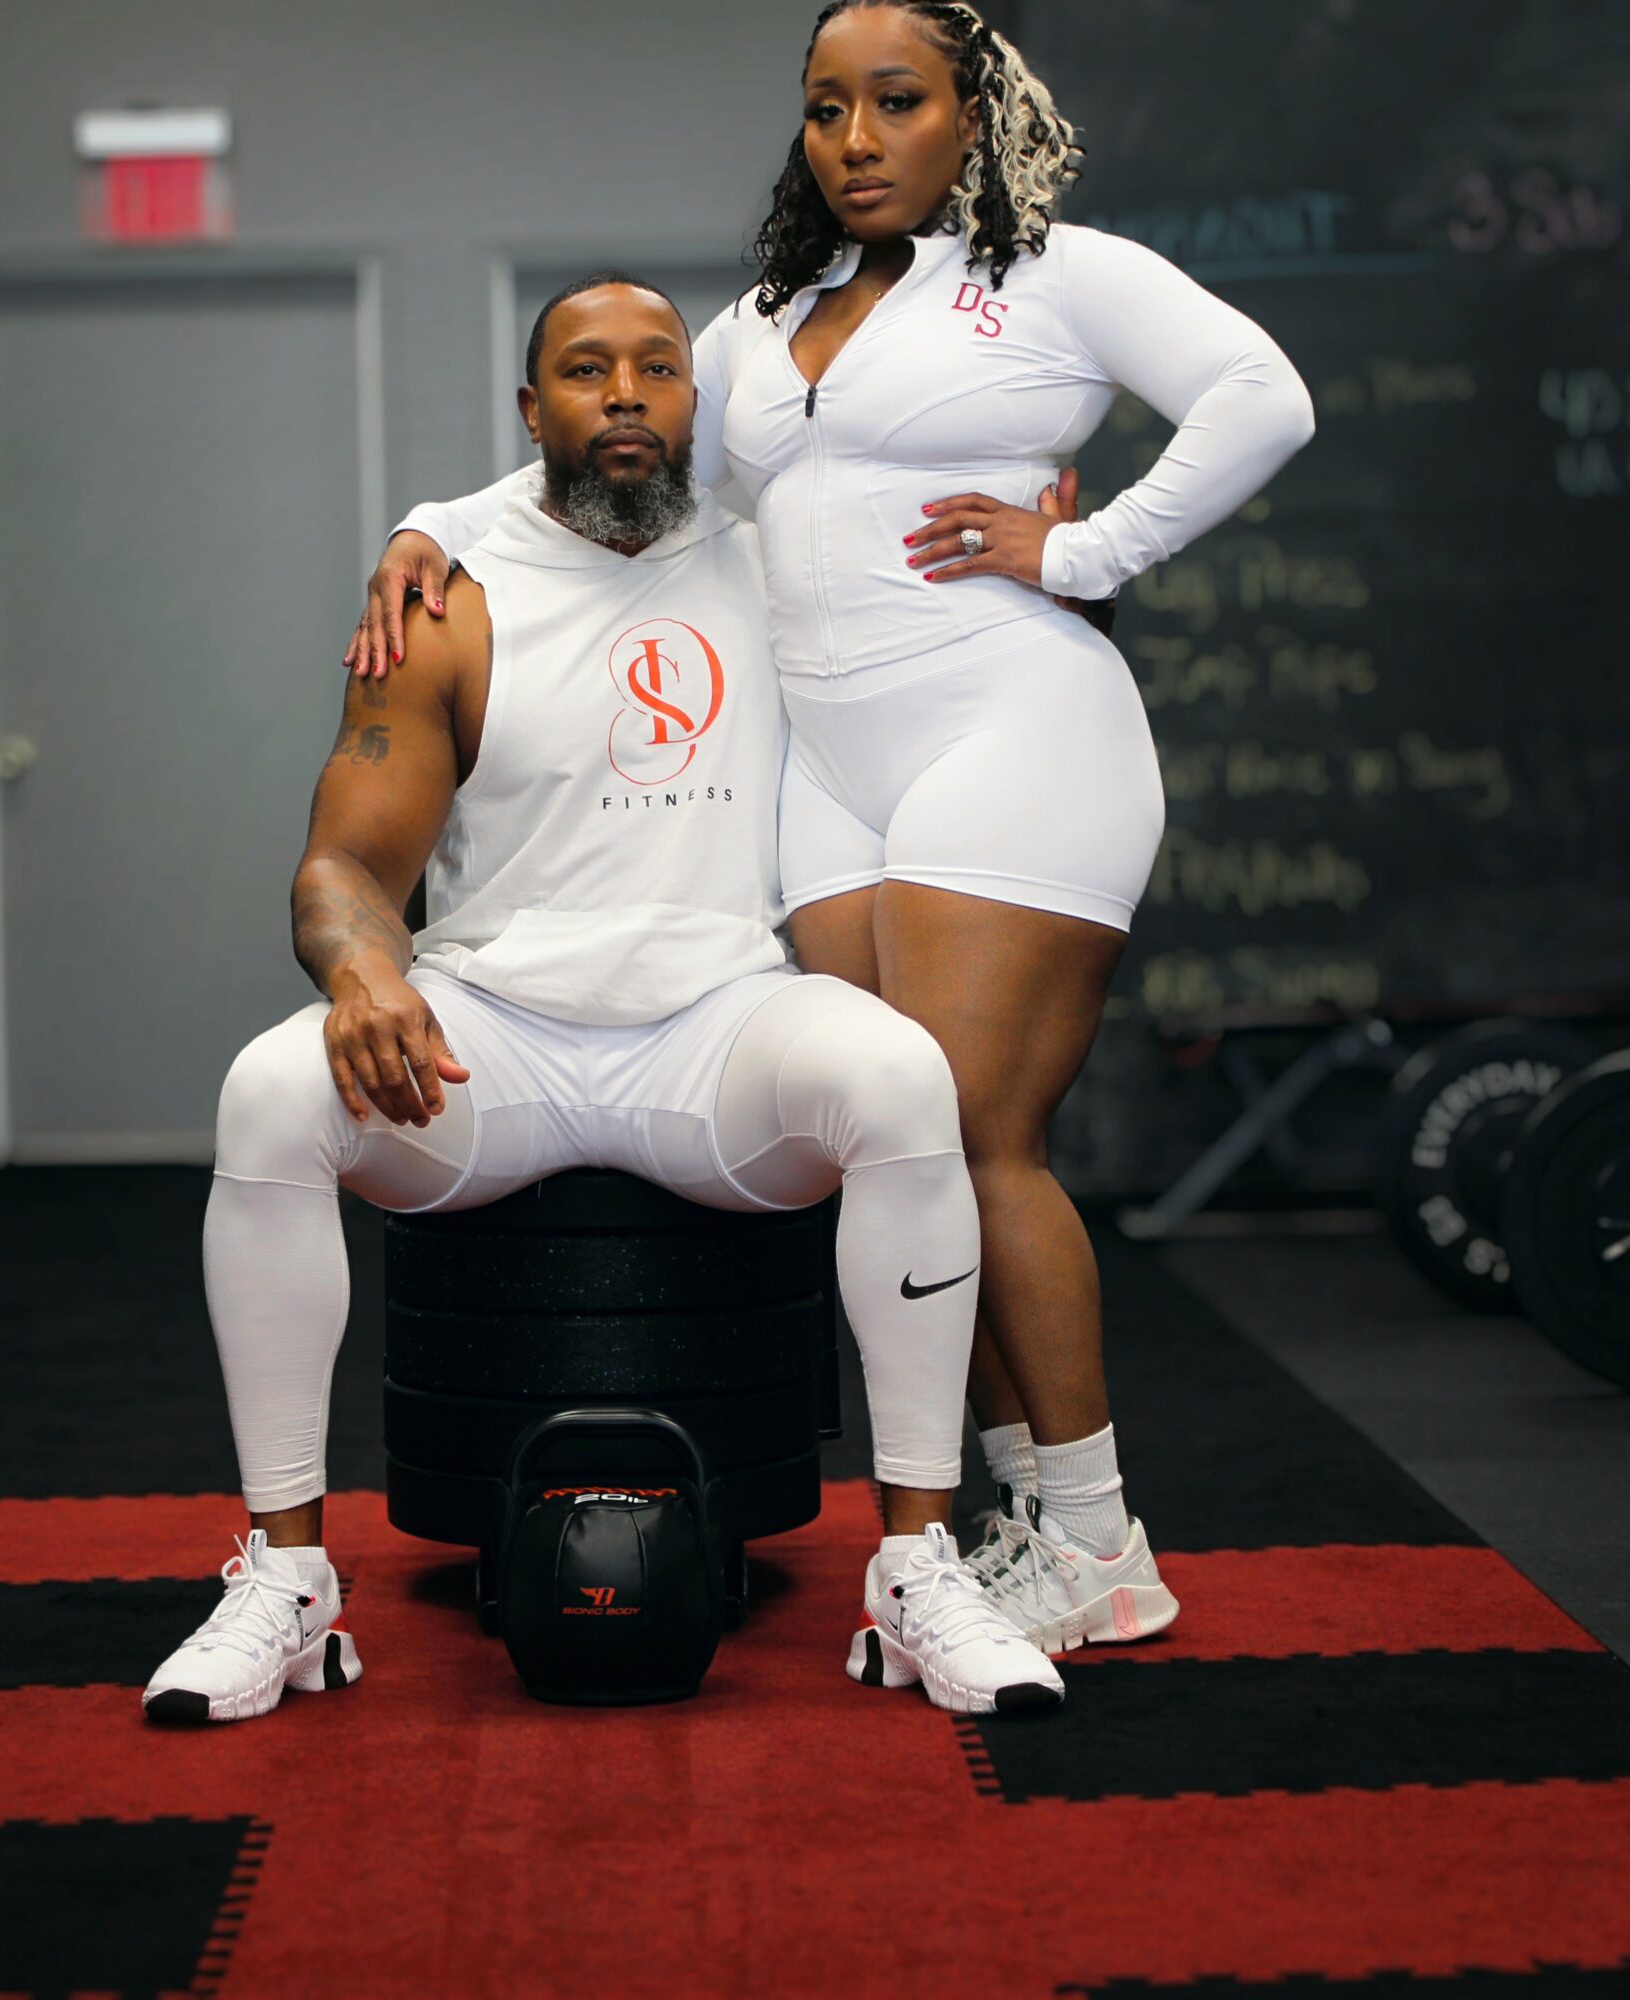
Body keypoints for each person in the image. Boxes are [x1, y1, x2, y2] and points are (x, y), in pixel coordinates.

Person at [349, 0, 1311, 1653]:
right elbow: (629, 457)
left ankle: (1101, 1538)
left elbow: (1262, 396)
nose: (856, 139)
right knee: (904, 1148)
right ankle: (1023, 1518)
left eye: (896, 100)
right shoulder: (758, 325)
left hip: (1009, 725)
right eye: (824, 107)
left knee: (983, 1140)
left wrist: (1086, 554)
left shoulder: (1057, 275)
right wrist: (426, 527)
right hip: (832, 772)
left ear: (971, 115)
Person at [143, 274, 1070, 1726]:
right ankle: (287, 1579)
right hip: (493, 1041)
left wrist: (1070, 545)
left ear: (698, 401)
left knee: (902, 1080)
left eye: (657, 367)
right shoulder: (448, 597)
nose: (626, 392)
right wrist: (367, 968)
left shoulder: (780, 566)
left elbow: (975, 601)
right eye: (587, 370)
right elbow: (344, 863)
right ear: (533, 409)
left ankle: (916, 1567)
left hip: (716, 1032)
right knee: (268, 1095)